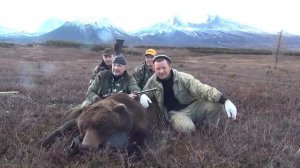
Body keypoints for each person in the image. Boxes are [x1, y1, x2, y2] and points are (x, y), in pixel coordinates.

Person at [139, 55, 237, 133]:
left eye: (164, 68)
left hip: (194, 106)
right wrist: (142, 95)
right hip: (176, 113)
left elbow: (201, 88)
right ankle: (194, 127)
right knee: (187, 129)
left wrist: (225, 101)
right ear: (154, 69)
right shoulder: (152, 81)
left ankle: (209, 130)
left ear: (170, 66)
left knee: (216, 104)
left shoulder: (183, 77)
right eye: (158, 69)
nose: (161, 71)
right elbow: (145, 93)